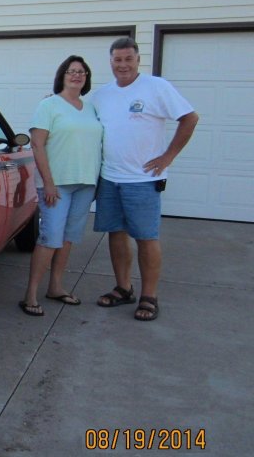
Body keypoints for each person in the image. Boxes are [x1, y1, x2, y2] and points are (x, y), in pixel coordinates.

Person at [92, 37, 199, 321]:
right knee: (115, 234)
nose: (123, 65)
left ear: (138, 59)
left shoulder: (156, 87)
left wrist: (168, 157)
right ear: (111, 62)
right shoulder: (101, 95)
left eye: (128, 59)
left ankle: (149, 297)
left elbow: (190, 118)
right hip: (109, 178)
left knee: (146, 237)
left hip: (143, 180)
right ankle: (123, 288)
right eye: (117, 60)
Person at [20, 55, 103, 316]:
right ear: (62, 76)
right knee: (50, 238)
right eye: (71, 71)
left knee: (67, 239)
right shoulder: (49, 105)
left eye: (82, 72)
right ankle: (30, 294)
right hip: (57, 186)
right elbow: (37, 144)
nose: (77, 75)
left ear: (86, 78)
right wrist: (49, 183)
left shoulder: (90, 108)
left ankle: (56, 286)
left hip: (85, 183)